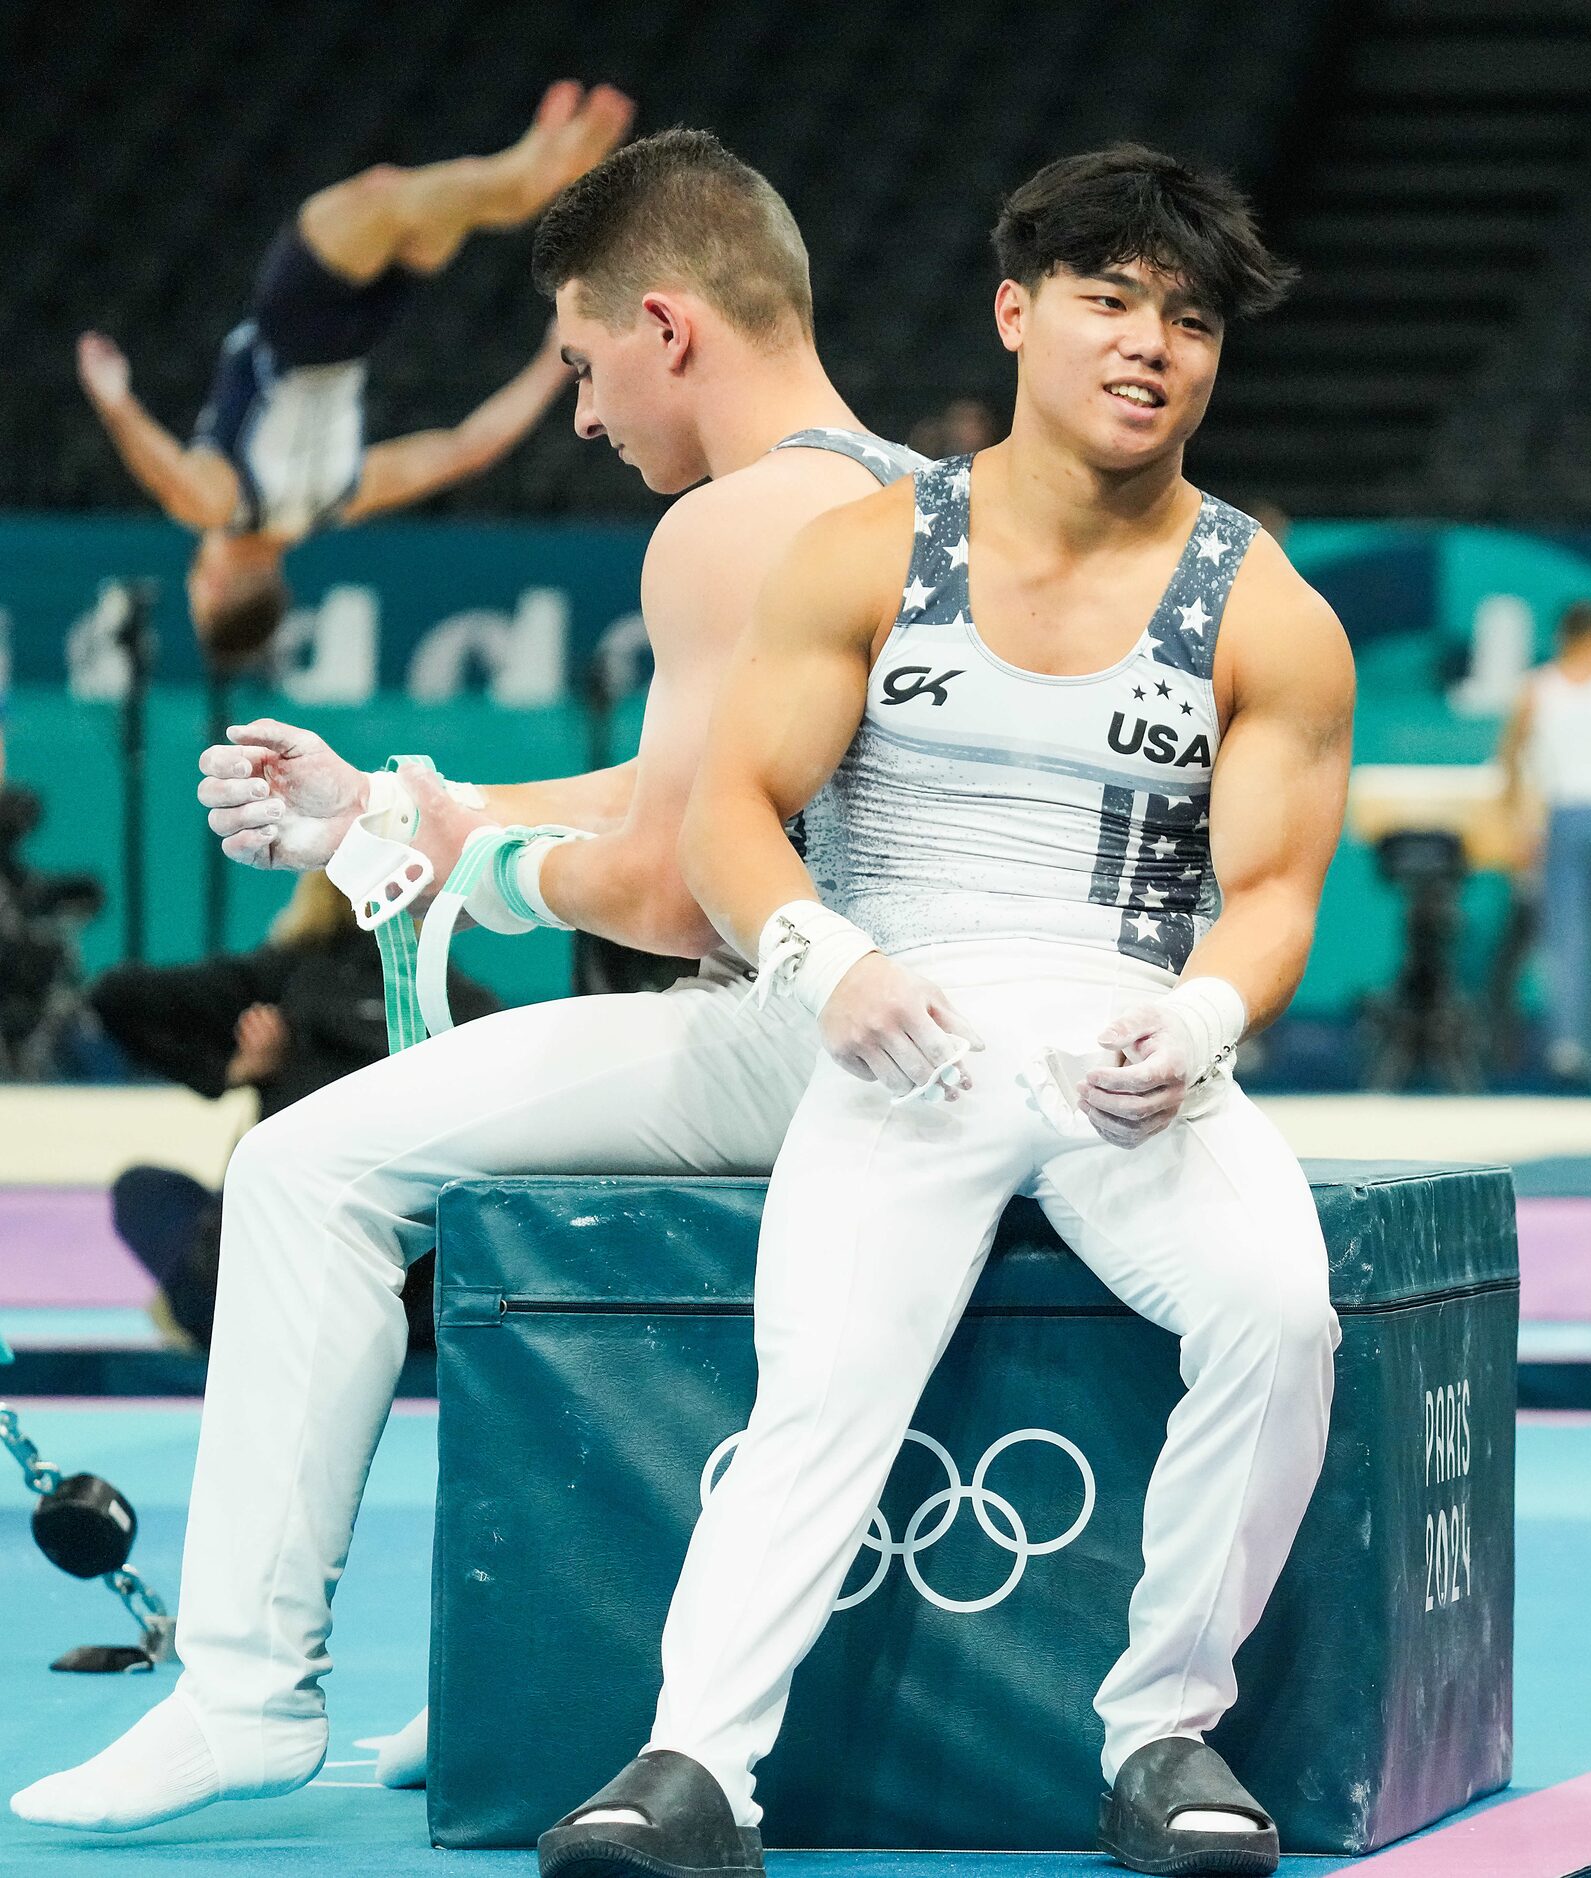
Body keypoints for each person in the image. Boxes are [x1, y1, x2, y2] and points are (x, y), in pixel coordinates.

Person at [11, 127, 926, 1836]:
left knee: (302, 1169)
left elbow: (663, 884)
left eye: (582, 365)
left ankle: (241, 1693)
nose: (579, 415)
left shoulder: (731, 521)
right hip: (905, 1018)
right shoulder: (889, 482)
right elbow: (693, 802)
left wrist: (454, 859)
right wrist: (392, 808)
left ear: (666, 326)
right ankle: (538, 1672)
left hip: (815, 1039)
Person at [538, 145, 1353, 1878]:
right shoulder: (866, 551)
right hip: (895, 1022)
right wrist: (828, 963)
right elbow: (731, 813)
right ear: (1016, 313)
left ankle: (1163, 1733)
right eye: (1110, 299)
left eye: (1189, 318)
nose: (1150, 343)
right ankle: (692, 1766)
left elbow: (1274, 892)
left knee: (1281, 1309)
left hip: (1125, 1039)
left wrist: (1201, 1019)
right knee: (826, 1372)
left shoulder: (1263, 605)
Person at [73, 79, 633, 662]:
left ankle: (528, 170)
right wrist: (115, 403)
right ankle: (531, 175)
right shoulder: (223, 506)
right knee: (389, 192)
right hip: (297, 317)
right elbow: (169, 481)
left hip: (367, 327)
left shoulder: (337, 501)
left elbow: (466, 448)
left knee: (436, 206)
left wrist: (551, 362)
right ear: (212, 589)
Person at [91, 873, 497, 1348]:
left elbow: (115, 996)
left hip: (261, 1296)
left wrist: (231, 1070)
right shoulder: (461, 1002)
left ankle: (200, 1308)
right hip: (410, 1307)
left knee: (145, 1189)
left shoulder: (283, 981)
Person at [1499, 599, 1591, 1080]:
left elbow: (1510, 762)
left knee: (1587, 936)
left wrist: (1520, 821)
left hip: (1582, 816)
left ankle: (1588, 1047)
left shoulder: (1543, 689)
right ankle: (1586, 1047)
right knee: (1585, 936)